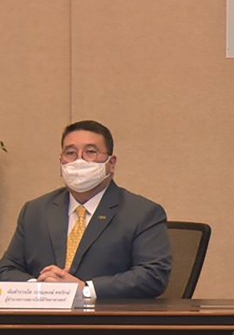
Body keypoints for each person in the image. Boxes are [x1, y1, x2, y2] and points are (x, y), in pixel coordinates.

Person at [0, 120, 172, 299]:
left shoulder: (142, 212)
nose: (79, 160)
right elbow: (6, 269)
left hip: (107, 321)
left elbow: (153, 275)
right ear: (61, 162)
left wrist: (85, 290)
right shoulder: (36, 211)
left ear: (111, 163)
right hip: (43, 320)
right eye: (70, 153)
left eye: (90, 152)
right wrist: (40, 288)